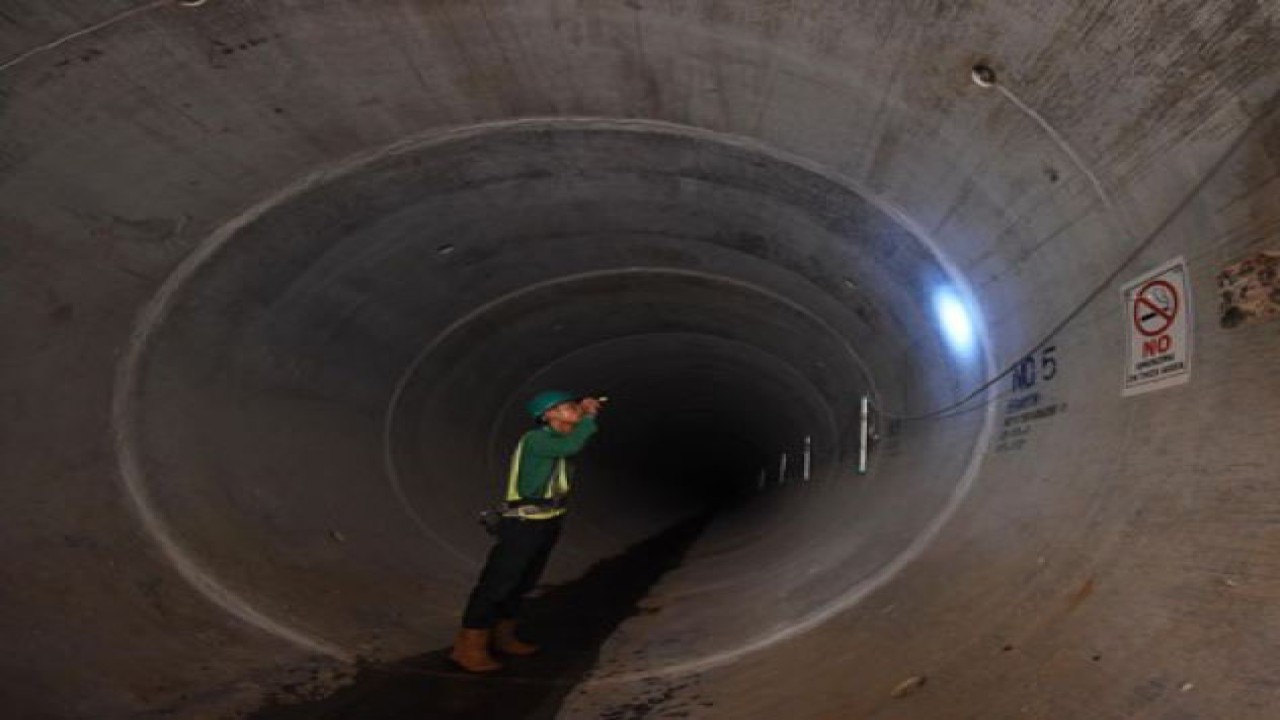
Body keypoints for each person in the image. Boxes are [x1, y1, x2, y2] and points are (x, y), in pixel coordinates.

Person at [449, 390, 603, 672]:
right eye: (567, 408)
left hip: (548, 521)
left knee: (523, 582)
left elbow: (569, 442)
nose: (575, 410)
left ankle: (504, 636)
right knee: (498, 583)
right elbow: (572, 446)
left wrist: (580, 414)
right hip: (523, 524)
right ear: (548, 415)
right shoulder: (537, 439)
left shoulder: (560, 438)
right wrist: (589, 416)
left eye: (574, 407)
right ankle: (468, 646)